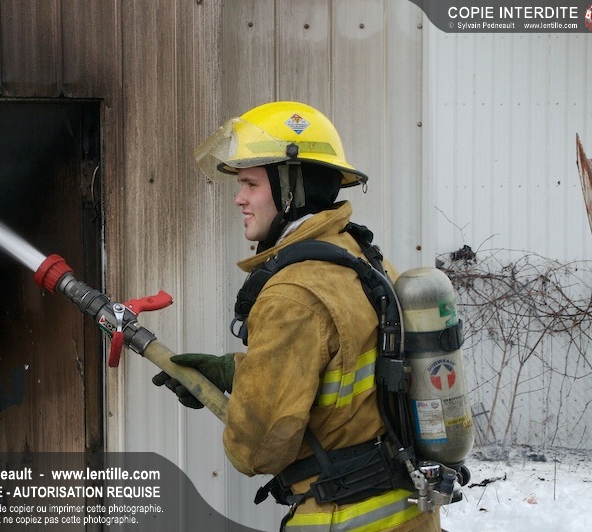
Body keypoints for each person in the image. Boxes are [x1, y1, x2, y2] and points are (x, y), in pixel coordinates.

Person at [153, 101, 441, 531]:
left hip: (342, 519)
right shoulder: (366, 261)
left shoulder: (293, 295)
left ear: (291, 189)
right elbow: (346, 379)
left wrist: (248, 407)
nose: (239, 198)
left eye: (250, 184)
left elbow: (256, 451)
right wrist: (235, 373)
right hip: (409, 511)